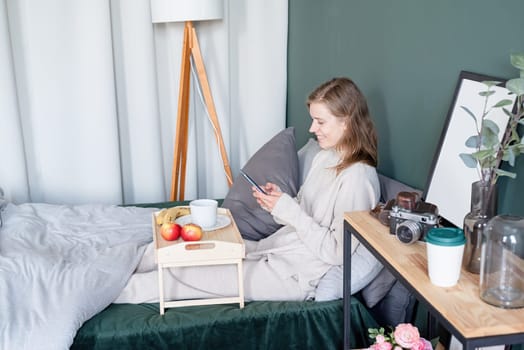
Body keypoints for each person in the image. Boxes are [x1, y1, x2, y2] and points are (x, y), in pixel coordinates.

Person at [115, 77, 381, 303]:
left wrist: (288, 209)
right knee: (173, 253)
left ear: (346, 122)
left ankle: (101, 294)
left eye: (320, 122)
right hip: (274, 250)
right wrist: (278, 203)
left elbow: (336, 252)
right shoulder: (326, 157)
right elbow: (300, 214)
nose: (313, 129)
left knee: (182, 277)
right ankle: (108, 270)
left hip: (296, 275)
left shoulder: (359, 178)